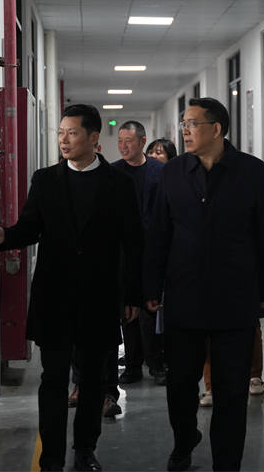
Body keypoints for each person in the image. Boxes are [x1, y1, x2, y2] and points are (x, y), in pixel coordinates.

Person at [0, 104, 143, 472]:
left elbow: (133, 242)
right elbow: (30, 227)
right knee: (52, 380)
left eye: (72, 133)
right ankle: (51, 457)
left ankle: (85, 450)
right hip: (54, 296)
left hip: (99, 297)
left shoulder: (118, 184)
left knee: (93, 381)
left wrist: (132, 295)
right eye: (61, 133)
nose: (64, 140)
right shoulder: (46, 180)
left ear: (94, 138)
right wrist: (5, 236)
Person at [144, 97, 264, 472]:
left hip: (234, 298)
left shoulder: (251, 172)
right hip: (183, 297)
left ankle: (227, 461)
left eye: (192, 124)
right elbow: (159, 233)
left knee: (231, 389)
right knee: (180, 385)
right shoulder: (173, 172)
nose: (185, 131)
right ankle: (184, 439)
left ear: (216, 128)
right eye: (184, 125)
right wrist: (151, 287)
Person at [113, 121, 167, 387]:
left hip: (152, 250)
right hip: (124, 252)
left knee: (151, 308)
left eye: (129, 141)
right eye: (120, 141)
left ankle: (156, 363)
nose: (123, 146)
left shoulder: (160, 171)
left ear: (143, 141)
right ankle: (133, 365)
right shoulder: (113, 173)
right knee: (128, 309)